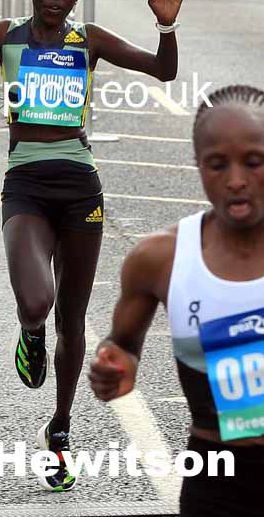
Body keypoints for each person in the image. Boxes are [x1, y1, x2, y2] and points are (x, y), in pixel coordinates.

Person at [0, 0, 188, 492]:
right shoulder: (3, 34)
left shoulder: (90, 41)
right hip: (27, 186)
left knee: (74, 320)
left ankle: (60, 429)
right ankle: (28, 332)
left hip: (81, 186)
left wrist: (165, 25)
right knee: (37, 302)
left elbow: (163, 70)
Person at [89, 84, 264, 516]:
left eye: (254, 162)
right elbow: (122, 346)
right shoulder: (160, 259)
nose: (236, 180)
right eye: (217, 165)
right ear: (198, 166)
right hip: (216, 479)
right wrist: (114, 368)